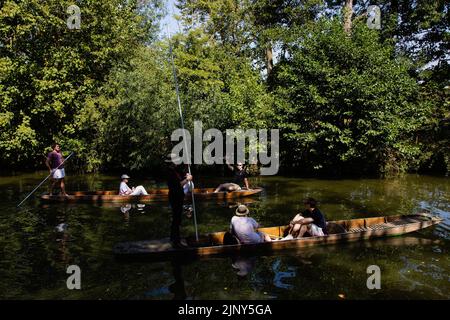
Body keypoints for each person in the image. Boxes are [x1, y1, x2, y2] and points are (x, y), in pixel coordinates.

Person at [166, 153, 193, 248]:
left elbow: (181, 176)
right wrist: (188, 180)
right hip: (175, 197)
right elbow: (177, 185)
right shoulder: (169, 172)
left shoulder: (175, 170)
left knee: (177, 218)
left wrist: (186, 167)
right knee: (176, 219)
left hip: (178, 196)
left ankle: (174, 238)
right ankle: (176, 241)